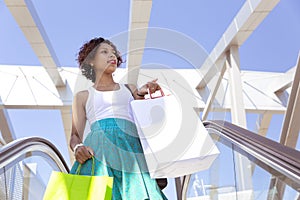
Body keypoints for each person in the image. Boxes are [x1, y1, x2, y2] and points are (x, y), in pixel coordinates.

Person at [69, 37, 168, 200]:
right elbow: (74, 136)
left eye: (114, 52)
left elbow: (143, 119)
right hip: (98, 153)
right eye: (105, 52)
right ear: (91, 61)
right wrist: (78, 147)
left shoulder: (130, 89)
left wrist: (145, 94)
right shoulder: (82, 96)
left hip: (131, 150)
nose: (112, 56)